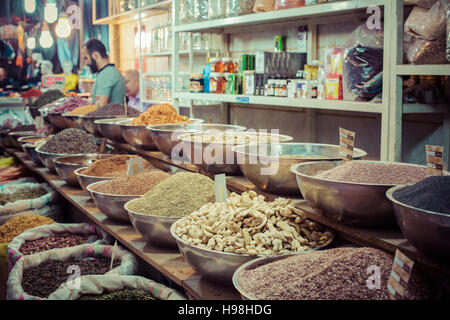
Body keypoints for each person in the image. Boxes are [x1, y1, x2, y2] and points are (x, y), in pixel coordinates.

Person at [82, 39, 126, 107]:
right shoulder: (109, 71)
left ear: (95, 55)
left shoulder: (106, 74)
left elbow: (99, 107)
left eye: (86, 58)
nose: (86, 63)